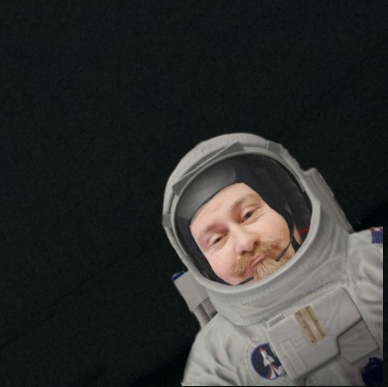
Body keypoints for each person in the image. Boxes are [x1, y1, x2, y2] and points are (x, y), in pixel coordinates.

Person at [161, 133, 387, 385]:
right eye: (217, 239)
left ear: (287, 207)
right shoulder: (217, 358)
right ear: (204, 266)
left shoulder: (374, 250)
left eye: (248, 215)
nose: (245, 243)